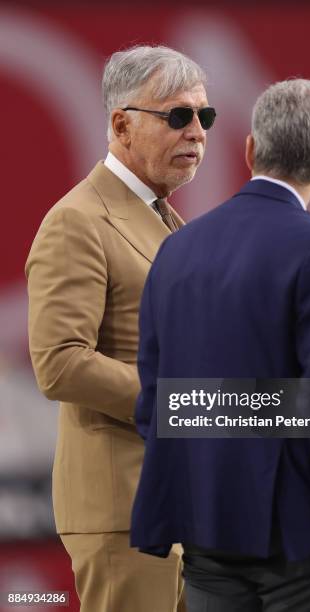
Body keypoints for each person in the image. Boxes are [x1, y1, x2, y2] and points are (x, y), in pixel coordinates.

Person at [130, 79, 310, 612]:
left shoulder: (176, 249)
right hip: (306, 538)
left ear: (249, 149)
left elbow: (154, 400)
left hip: (206, 526)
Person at [25, 44, 215, 612]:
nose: (198, 133)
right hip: (123, 508)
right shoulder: (78, 220)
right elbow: (60, 362)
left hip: (177, 502)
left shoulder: (165, 219)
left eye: (204, 117)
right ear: (120, 124)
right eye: (177, 116)